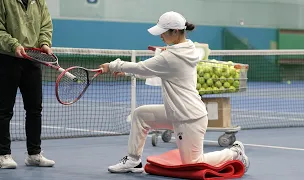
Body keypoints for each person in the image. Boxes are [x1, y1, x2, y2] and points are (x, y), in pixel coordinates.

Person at [99, 11, 250, 174]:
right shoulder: (188, 48)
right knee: (140, 115)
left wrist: (113, 65)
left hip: (189, 117)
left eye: (163, 32)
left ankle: (234, 153)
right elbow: (154, 70)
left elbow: (143, 68)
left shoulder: (172, 56)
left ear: (175, 32)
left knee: (194, 162)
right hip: (175, 112)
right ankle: (133, 161)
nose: (160, 36)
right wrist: (128, 72)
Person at [0, 0, 55, 169]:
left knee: (35, 109)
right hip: (7, 58)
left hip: (32, 59)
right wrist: (14, 45)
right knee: (5, 109)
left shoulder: (38, 1)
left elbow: (45, 25)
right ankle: (4, 155)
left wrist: (44, 44)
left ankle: (34, 154)